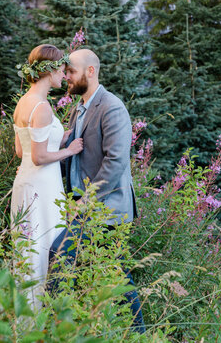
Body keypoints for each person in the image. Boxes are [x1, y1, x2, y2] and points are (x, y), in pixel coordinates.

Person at [48, 48, 145, 332]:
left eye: (72, 71)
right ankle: (116, 331)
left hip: (107, 208)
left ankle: (56, 327)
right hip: (84, 205)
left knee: (61, 253)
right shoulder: (80, 107)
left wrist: (87, 201)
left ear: (91, 71)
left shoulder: (111, 106)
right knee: (111, 273)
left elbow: (116, 162)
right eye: (65, 72)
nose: (67, 76)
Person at [11, 44, 83, 310]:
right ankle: (39, 316)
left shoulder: (24, 103)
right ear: (50, 69)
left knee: (28, 248)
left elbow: (21, 149)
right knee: (43, 248)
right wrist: (69, 149)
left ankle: (27, 313)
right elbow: (38, 157)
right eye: (62, 70)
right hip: (42, 185)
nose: (64, 76)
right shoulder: (41, 107)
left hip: (27, 184)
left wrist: (58, 136)